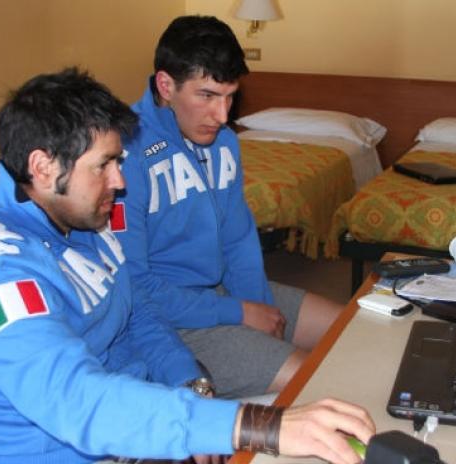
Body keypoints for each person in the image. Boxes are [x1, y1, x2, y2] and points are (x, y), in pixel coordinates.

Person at [0, 68, 375, 463]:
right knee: (289, 431)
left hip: (134, 424)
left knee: (328, 414)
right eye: (104, 165)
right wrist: (252, 426)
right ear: (42, 167)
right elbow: (76, 401)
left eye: (118, 162)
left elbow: (137, 312)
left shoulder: (79, 219)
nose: (119, 181)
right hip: (66, 449)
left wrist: (190, 383)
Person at [115, 15, 343, 400]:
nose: (222, 116)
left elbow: (238, 240)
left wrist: (257, 307)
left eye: (229, 96)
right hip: (170, 319)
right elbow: (134, 287)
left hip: (222, 292)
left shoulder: (224, 143)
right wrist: (239, 314)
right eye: (206, 96)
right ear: (166, 85)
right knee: (319, 382)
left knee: (353, 328)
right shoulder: (124, 155)